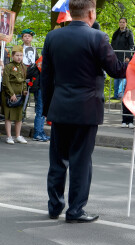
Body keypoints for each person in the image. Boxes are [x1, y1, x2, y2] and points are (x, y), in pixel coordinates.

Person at [41, 0, 127, 223]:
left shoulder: (53, 36)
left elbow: (46, 77)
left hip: (60, 107)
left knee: (57, 160)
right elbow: (116, 71)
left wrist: (48, 108)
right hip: (86, 109)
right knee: (80, 161)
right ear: (91, 13)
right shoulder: (98, 37)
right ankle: (75, 210)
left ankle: (54, 206)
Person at [21, 28, 48, 142]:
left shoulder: (36, 51)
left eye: (29, 36)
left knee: (40, 108)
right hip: (30, 81)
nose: (27, 38)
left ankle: (39, 131)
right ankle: (36, 132)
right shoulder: (20, 49)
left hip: (38, 82)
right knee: (34, 108)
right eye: (25, 36)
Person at [2, 45, 27, 145]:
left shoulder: (23, 67)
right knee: (8, 116)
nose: (19, 57)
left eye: (21, 55)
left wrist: (24, 90)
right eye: (17, 55)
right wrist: (11, 94)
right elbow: (6, 82)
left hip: (20, 94)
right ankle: (9, 136)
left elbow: (24, 81)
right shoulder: (8, 66)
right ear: (13, 56)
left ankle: (18, 135)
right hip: (10, 94)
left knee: (18, 116)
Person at [110, 17, 134, 99]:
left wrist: (127, 56)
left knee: (122, 76)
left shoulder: (129, 33)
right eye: (120, 22)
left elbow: (132, 46)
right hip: (115, 57)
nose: (122, 23)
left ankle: (121, 94)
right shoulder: (116, 33)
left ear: (126, 23)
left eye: (123, 22)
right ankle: (116, 95)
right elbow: (112, 45)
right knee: (116, 76)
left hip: (124, 58)